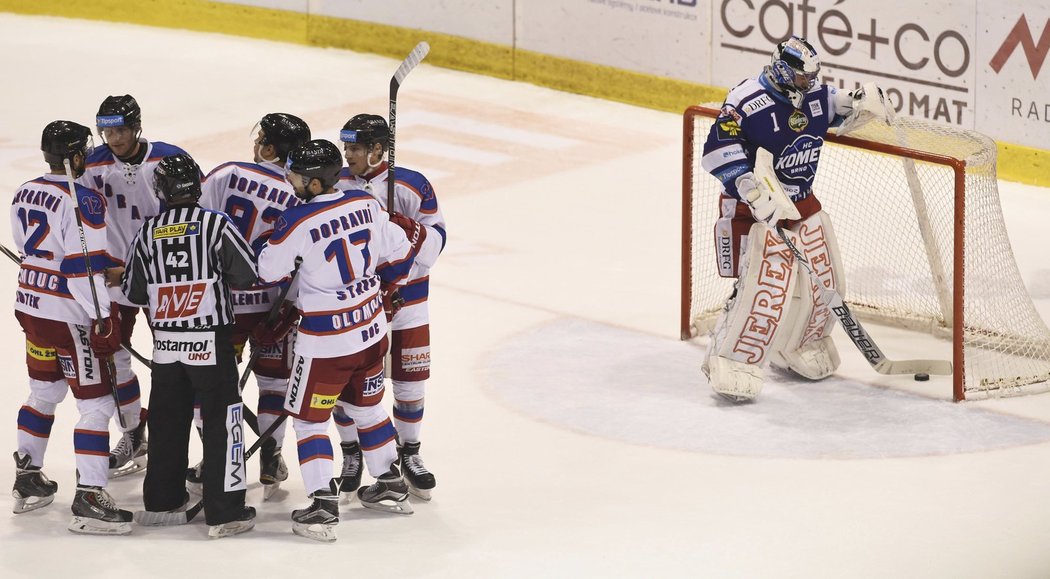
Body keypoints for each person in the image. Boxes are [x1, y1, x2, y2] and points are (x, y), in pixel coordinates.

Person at [257, 139, 427, 542]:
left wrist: (275, 244)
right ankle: (388, 480)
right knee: (367, 407)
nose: (289, 178)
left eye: (295, 174)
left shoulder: (295, 221)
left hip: (326, 345)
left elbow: (267, 271)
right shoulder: (366, 204)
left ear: (315, 183)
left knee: (308, 419)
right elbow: (402, 248)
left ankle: (321, 503)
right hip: (371, 332)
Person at [699, 36, 885, 402]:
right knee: (765, 287)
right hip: (754, 210)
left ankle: (800, 345)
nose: (809, 83)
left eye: (813, 77)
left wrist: (864, 103)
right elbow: (717, 149)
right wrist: (750, 189)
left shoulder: (815, 96)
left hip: (801, 204)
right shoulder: (746, 100)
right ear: (785, 70)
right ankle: (732, 360)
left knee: (825, 280)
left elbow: (840, 108)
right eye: (803, 78)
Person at [120, 153, 258, 539]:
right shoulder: (216, 224)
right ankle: (225, 510)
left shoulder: (148, 232)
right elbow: (246, 274)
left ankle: (162, 503)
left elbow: (132, 290)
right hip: (211, 343)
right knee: (222, 421)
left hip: (166, 345)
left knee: (166, 421)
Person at [11, 120, 132, 534]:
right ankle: (90, 496)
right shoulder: (85, 200)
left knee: (44, 391)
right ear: (75, 156)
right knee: (96, 405)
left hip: (30, 306)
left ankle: (27, 479)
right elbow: (82, 270)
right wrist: (102, 317)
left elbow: (31, 249)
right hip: (69, 316)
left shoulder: (26, 189)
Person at [198, 112, 311, 499]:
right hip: (272, 305)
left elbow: (193, 224)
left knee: (211, 385)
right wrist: (293, 306)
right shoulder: (302, 191)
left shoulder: (227, 173)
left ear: (267, 147)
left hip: (221, 304)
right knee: (274, 382)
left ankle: (213, 458)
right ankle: (270, 454)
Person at [335, 114, 447, 501]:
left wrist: (406, 229)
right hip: (359, 306)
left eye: (354, 148)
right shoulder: (338, 183)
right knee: (347, 385)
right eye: (346, 147)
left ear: (378, 150)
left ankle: (409, 453)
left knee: (409, 384)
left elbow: (434, 248)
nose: (347, 155)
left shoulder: (413, 186)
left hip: (410, 302)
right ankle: (351, 456)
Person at [80, 94, 193, 477]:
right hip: (113, 276)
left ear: (137, 126)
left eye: (121, 130)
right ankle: (132, 433)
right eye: (107, 131)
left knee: (182, 359)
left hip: (165, 274)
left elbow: (197, 215)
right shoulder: (91, 163)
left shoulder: (170, 159)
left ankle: (202, 441)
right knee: (113, 358)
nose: (114, 138)